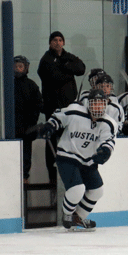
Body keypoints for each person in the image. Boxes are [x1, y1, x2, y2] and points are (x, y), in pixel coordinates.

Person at [37, 89, 117, 230]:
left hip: (88, 161)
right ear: (88, 104)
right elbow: (58, 117)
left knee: (97, 190)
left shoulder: (109, 123)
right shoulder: (75, 111)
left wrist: (104, 153)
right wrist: (50, 126)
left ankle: (77, 217)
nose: (98, 107)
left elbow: (108, 142)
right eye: (95, 104)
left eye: (101, 104)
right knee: (77, 189)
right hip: (68, 156)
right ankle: (67, 214)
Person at [37, 31, 86, 184]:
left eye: (60, 40)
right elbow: (55, 78)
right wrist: (70, 73)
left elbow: (81, 68)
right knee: (52, 139)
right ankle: (52, 175)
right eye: (54, 40)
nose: (58, 43)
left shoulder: (67, 57)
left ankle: (73, 169)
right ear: (50, 43)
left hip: (70, 107)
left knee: (71, 137)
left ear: (63, 42)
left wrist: (64, 66)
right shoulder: (45, 60)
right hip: (53, 108)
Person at [13, 55, 43, 183]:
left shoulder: (32, 85)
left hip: (27, 128)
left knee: (26, 154)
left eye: (21, 66)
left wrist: (31, 124)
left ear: (26, 68)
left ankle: (25, 177)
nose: (18, 69)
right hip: (11, 128)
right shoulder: (6, 84)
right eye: (15, 66)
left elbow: (38, 106)